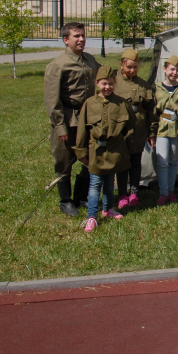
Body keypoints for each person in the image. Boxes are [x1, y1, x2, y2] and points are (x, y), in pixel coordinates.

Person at [44, 22, 101, 217]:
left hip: (87, 118)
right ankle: (65, 200)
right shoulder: (58, 65)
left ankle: (81, 196)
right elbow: (52, 100)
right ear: (66, 40)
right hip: (68, 119)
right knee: (64, 160)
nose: (81, 39)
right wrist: (60, 127)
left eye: (83, 35)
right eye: (76, 36)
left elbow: (104, 75)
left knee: (89, 156)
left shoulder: (90, 60)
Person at [74, 67, 135, 233]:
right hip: (96, 151)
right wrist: (81, 152)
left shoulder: (122, 103)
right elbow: (82, 130)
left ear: (114, 84)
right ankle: (92, 216)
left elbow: (131, 125)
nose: (107, 87)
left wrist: (123, 144)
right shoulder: (89, 104)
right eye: (103, 84)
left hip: (114, 151)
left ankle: (107, 209)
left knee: (109, 182)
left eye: (110, 84)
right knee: (95, 184)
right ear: (97, 84)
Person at [113, 48, 157, 209]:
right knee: (123, 162)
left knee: (136, 162)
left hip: (139, 128)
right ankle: (122, 193)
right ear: (121, 65)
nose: (132, 70)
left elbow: (152, 110)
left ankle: (134, 192)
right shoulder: (115, 83)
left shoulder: (144, 85)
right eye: (129, 67)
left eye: (135, 67)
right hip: (122, 129)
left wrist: (151, 131)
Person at [154, 55, 178, 206]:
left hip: (176, 130)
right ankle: (163, 192)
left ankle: (170, 191)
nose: (174, 73)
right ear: (164, 69)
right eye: (171, 69)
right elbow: (153, 109)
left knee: (172, 161)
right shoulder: (157, 88)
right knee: (162, 161)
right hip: (161, 130)